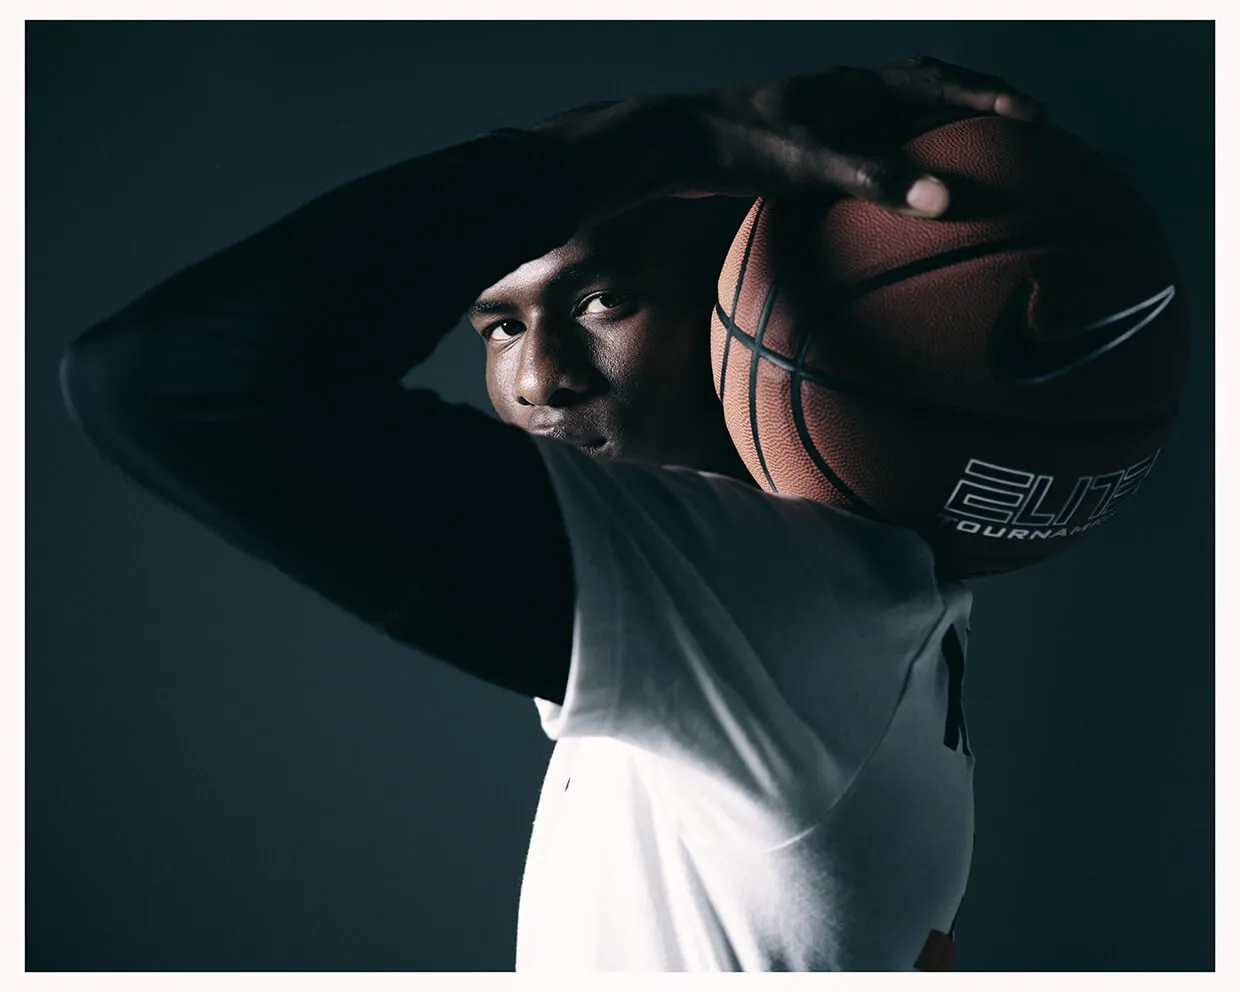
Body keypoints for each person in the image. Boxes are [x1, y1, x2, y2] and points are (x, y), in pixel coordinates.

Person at [59, 57, 1044, 971]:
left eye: (602, 300)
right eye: (499, 325)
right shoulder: (841, 602)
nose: (539, 379)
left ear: (748, 312)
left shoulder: (779, 600)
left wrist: (672, 138)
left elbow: (163, 381)